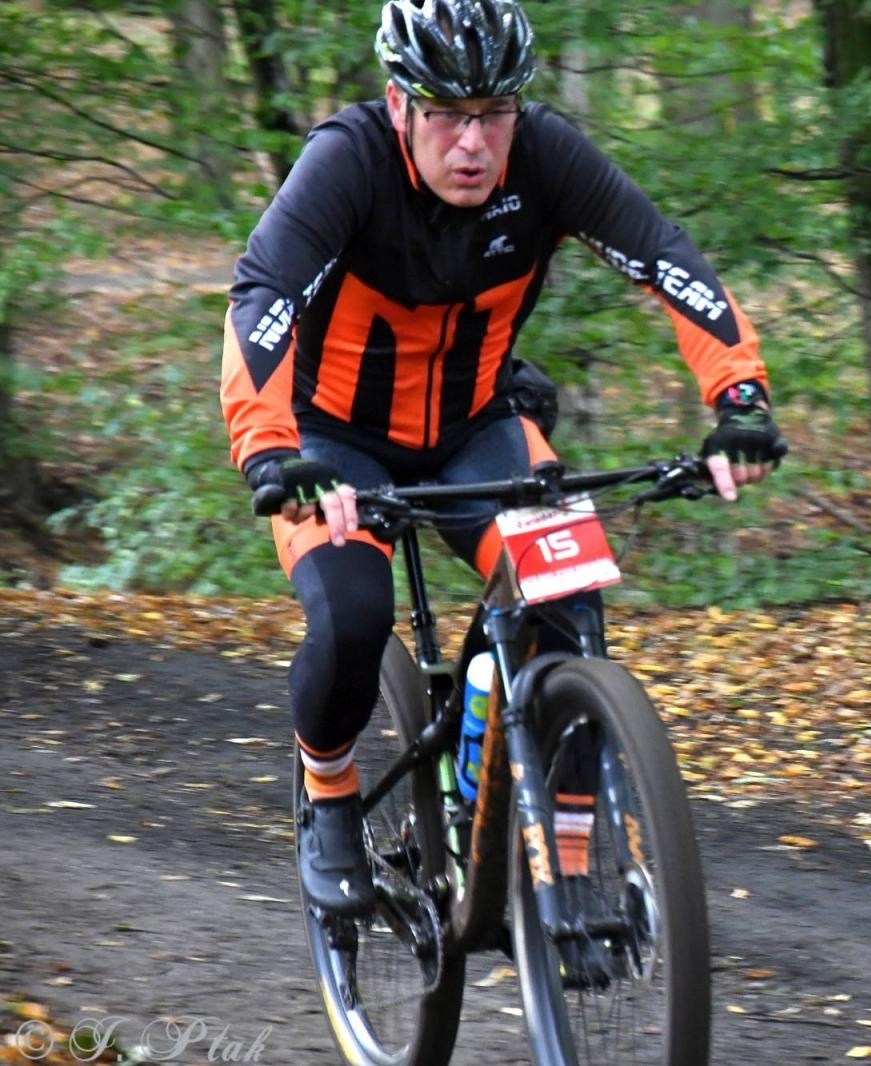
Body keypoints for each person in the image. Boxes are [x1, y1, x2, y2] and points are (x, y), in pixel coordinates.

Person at [219, 0, 784, 917]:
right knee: (356, 615)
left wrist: (741, 399)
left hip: (476, 424)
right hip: (332, 443)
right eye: (448, 113)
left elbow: (662, 256)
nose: (474, 141)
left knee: (568, 603)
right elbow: (264, 296)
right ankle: (327, 795)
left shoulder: (545, 157)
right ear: (401, 105)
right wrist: (271, 449)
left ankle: (562, 856)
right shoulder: (348, 162)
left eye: (496, 112)